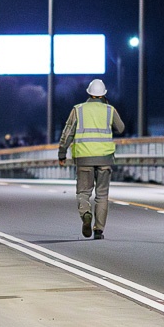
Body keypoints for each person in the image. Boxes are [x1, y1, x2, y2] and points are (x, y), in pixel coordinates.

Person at [58, 78, 125, 239]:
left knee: (83, 193)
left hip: (84, 157)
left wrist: (62, 153)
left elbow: (68, 133)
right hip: (105, 158)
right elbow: (121, 128)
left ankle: (86, 213)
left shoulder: (78, 110)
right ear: (103, 95)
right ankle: (98, 230)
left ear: (89, 93)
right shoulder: (109, 110)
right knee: (102, 195)